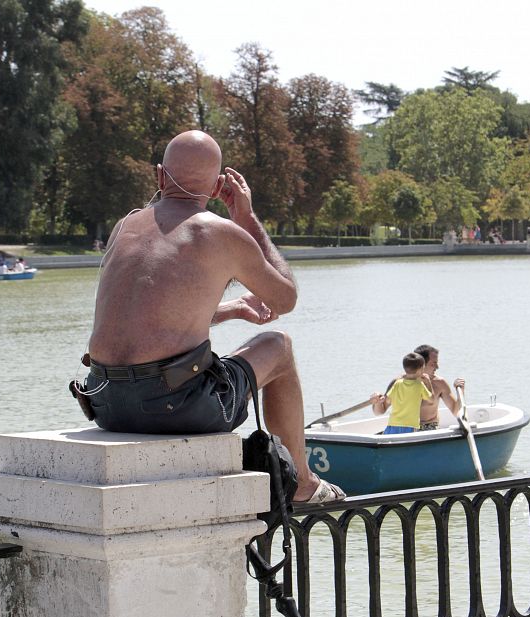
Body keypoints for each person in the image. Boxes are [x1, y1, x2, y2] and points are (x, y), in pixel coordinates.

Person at [82, 129, 345, 505]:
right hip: (174, 408)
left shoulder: (125, 226)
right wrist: (247, 218)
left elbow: (149, 324)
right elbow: (285, 297)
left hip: (105, 404)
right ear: (219, 184)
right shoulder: (220, 232)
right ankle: (302, 483)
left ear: (160, 176)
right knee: (279, 346)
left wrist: (230, 310)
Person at [370, 352, 432, 434]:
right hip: (410, 426)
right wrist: (428, 383)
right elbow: (430, 398)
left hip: (392, 425)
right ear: (420, 370)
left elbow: (387, 400)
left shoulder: (397, 383)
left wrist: (379, 402)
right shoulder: (419, 385)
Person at [413, 344, 465, 430]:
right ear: (421, 364)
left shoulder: (439, 383)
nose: (437, 367)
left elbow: (456, 411)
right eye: (434, 363)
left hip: (430, 428)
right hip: (409, 429)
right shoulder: (404, 383)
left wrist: (461, 391)